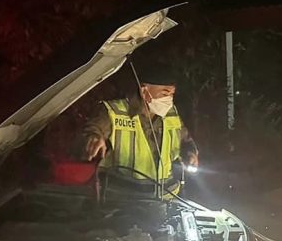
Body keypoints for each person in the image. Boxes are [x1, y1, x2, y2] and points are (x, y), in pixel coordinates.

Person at [82, 63, 198, 199]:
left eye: (171, 94)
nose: (169, 100)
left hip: (166, 200)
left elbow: (185, 140)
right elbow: (93, 129)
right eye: (164, 93)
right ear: (144, 92)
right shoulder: (115, 112)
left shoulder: (171, 114)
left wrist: (190, 152)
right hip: (123, 202)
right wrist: (94, 138)